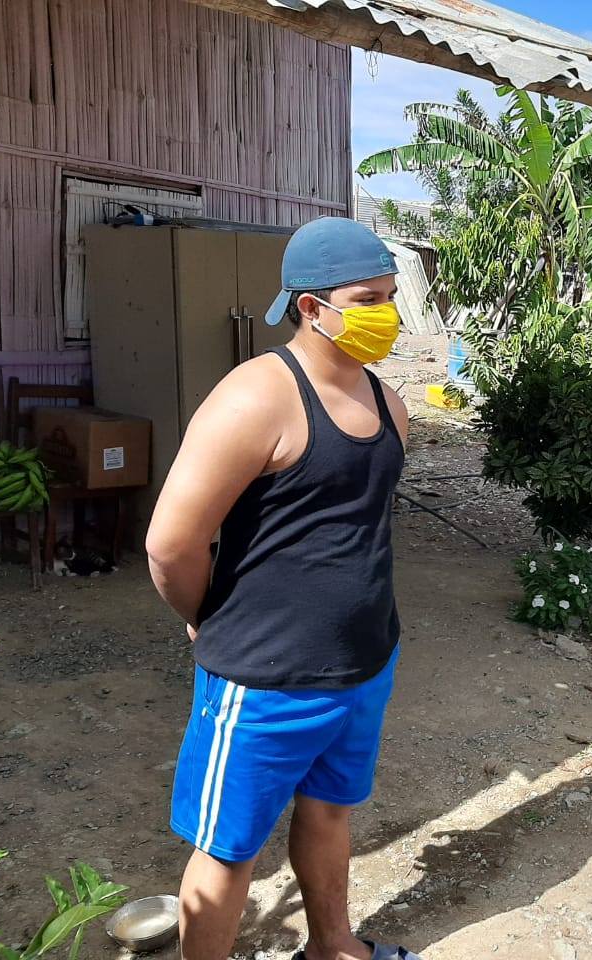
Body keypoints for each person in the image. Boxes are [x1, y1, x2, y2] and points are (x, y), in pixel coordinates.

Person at [146, 217, 420, 960]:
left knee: (331, 811)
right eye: (367, 300)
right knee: (228, 849)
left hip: (364, 663)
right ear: (310, 307)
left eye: (390, 296)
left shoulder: (387, 402)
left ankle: (333, 948)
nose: (386, 313)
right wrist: (205, 617)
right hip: (265, 681)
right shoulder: (255, 398)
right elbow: (171, 544)